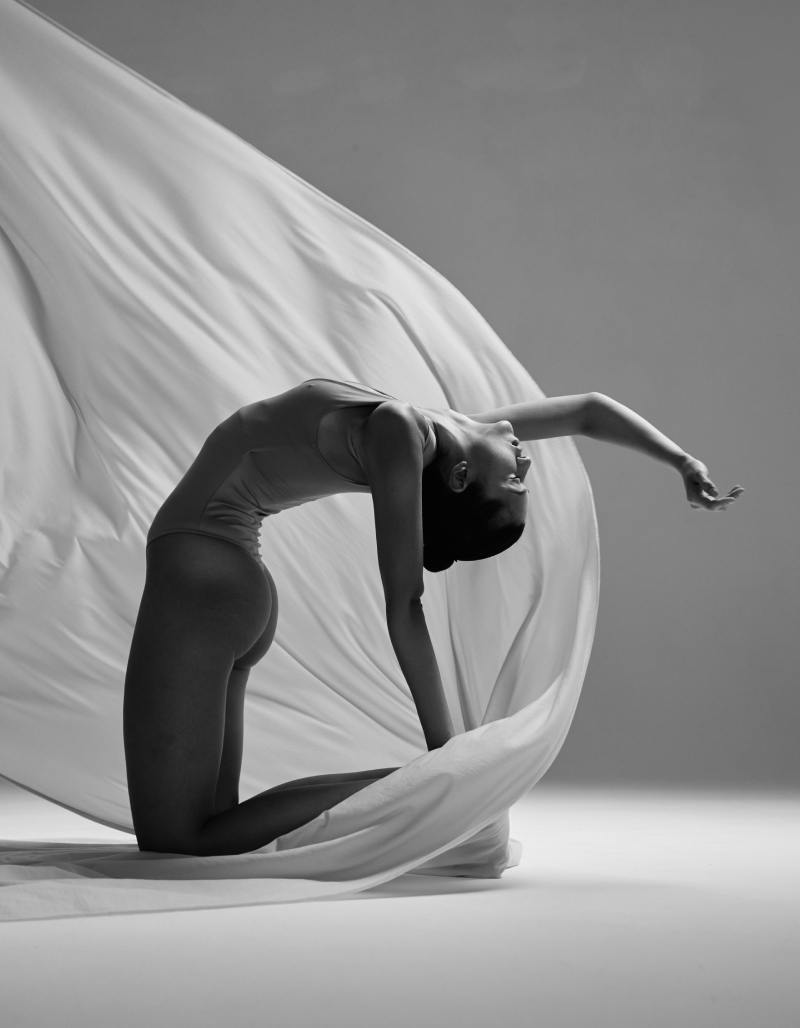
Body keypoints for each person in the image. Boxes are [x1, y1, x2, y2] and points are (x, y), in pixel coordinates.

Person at [123, 377, 743, 856]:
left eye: (516, 482)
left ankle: (432, 787)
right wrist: (681, 461)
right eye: (521, 482)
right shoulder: (437, 427)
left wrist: (444, 752)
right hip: (220, 577)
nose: (527, 465)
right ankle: (431, 786)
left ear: (463, 475)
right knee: (212, 831)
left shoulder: (398, 429)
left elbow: (405, 603)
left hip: (204, 578)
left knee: (177, 840)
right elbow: (585, 411)